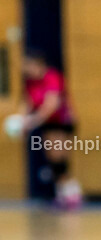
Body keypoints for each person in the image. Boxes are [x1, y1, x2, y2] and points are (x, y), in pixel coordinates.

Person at [20, 49, 81, 209]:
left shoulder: (52, 77)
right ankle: (63, 194)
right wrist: (22, 121)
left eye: (29, 66)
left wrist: (32, 121)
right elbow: (28, 103)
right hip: (47, 123)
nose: (27, 70)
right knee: (53, 159)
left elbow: (51, 105)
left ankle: (72, 194)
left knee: (59, 158)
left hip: (61, 121)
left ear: (38, 64)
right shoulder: (30, 82)